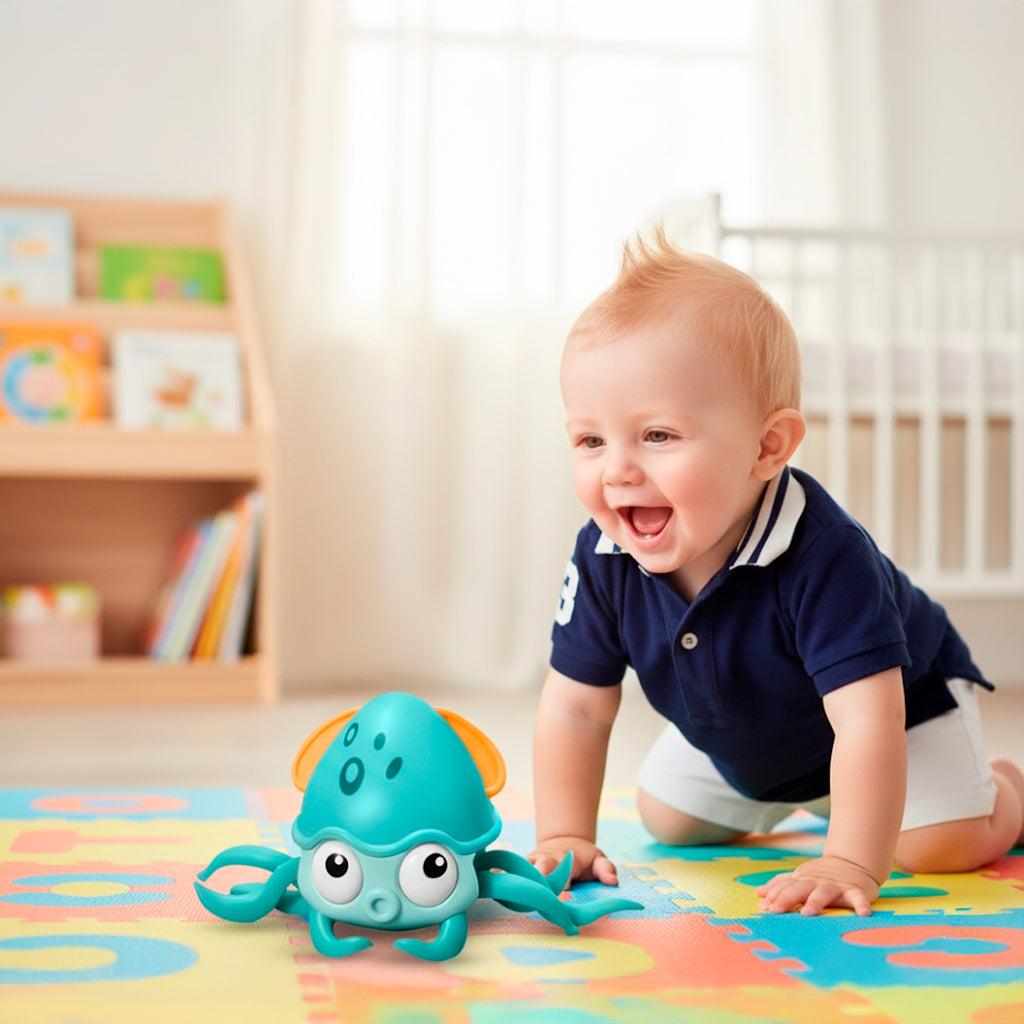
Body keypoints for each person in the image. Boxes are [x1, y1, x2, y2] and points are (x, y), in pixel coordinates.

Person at [529, 228, 1024, 916]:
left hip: (899, 719)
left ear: (767, 447)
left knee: (937, 843)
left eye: (658, 435)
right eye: (590, 439)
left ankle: (1005, 789)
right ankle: (827, 801)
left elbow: (869, 720)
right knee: (668, 818)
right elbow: (576, 708)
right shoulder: (603, 555)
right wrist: (564, 834)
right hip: (760, 736)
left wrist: (850, 860)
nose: (616, 469)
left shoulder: (825, 555)